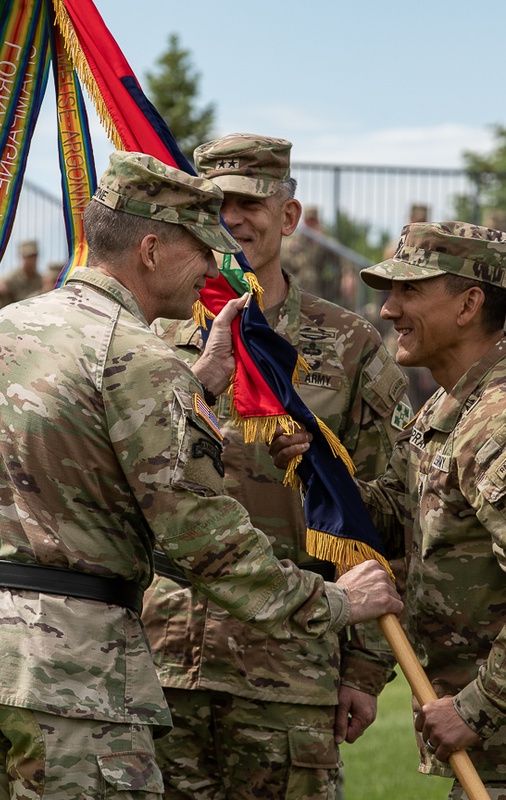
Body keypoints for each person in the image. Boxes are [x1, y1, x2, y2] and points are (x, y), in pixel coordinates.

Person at [0, 151, 402, 799]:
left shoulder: (9, 330)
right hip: (66, 668)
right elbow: (203, 538)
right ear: (149, 249)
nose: (212, 268)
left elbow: (76, 461)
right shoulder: (141, 357)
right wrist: (337, 604)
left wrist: (192, 395)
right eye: (201, 248)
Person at [275, 221, 506, 798]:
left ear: (470, 303)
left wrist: (475, 708)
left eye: (410, 291)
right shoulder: (453, 406)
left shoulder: (505, 424)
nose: (389, 309)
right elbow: (403, 525)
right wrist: (316, 470)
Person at [143, 133, 412, 800]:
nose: (233, 219)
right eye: (218, 205)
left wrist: (366, 669)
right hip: (158, 667)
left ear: (288, 217)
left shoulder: (348, 347)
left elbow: (395, 515)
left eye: (250, 202)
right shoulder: (148, 339)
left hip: (290, 670)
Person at [0, 238, 42, 306]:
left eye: (34, 256)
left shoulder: (41, 280)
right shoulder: (11, 278)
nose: (32, 260)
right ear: (22, 257)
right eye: (29, 257)